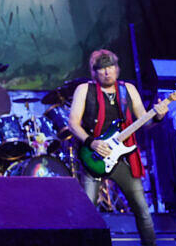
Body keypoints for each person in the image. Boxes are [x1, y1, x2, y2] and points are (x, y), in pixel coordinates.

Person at [67, 49, 168, 246]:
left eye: (110, 66)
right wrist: (91, 142)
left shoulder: (128, 89)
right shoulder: (84, 90)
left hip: (123, 159)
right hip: (94, 157)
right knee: (87, 212)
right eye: (102, 68)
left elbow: (144, 122)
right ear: (94, 72)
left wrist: (157, 115)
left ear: (117, 68)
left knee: (142, 210)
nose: (107, 72)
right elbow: (73, 123)